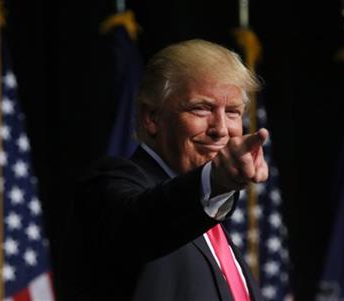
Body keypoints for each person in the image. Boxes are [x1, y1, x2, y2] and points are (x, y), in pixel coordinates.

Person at [65, 39, 269, 301]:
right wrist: (215, 182)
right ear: (152, 118)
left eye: (232, 112)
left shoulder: (207, 221)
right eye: (201, 108)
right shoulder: (107, 189)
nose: (221, 129)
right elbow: (142, 223)